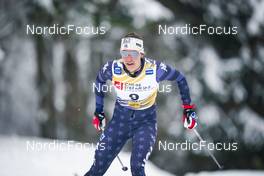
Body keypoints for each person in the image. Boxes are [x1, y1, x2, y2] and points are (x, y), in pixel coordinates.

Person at [84, 32, 198, 176]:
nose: (128, 58)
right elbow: (99, 81)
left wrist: (188, 109)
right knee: (98, 166)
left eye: (133, 53)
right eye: (124, 53)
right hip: (120, 120)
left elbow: (180, 78)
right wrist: (98, 111)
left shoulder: (155, 69)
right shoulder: (113, 68)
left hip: (145, 122)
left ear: (141, 54)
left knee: (137, 166)